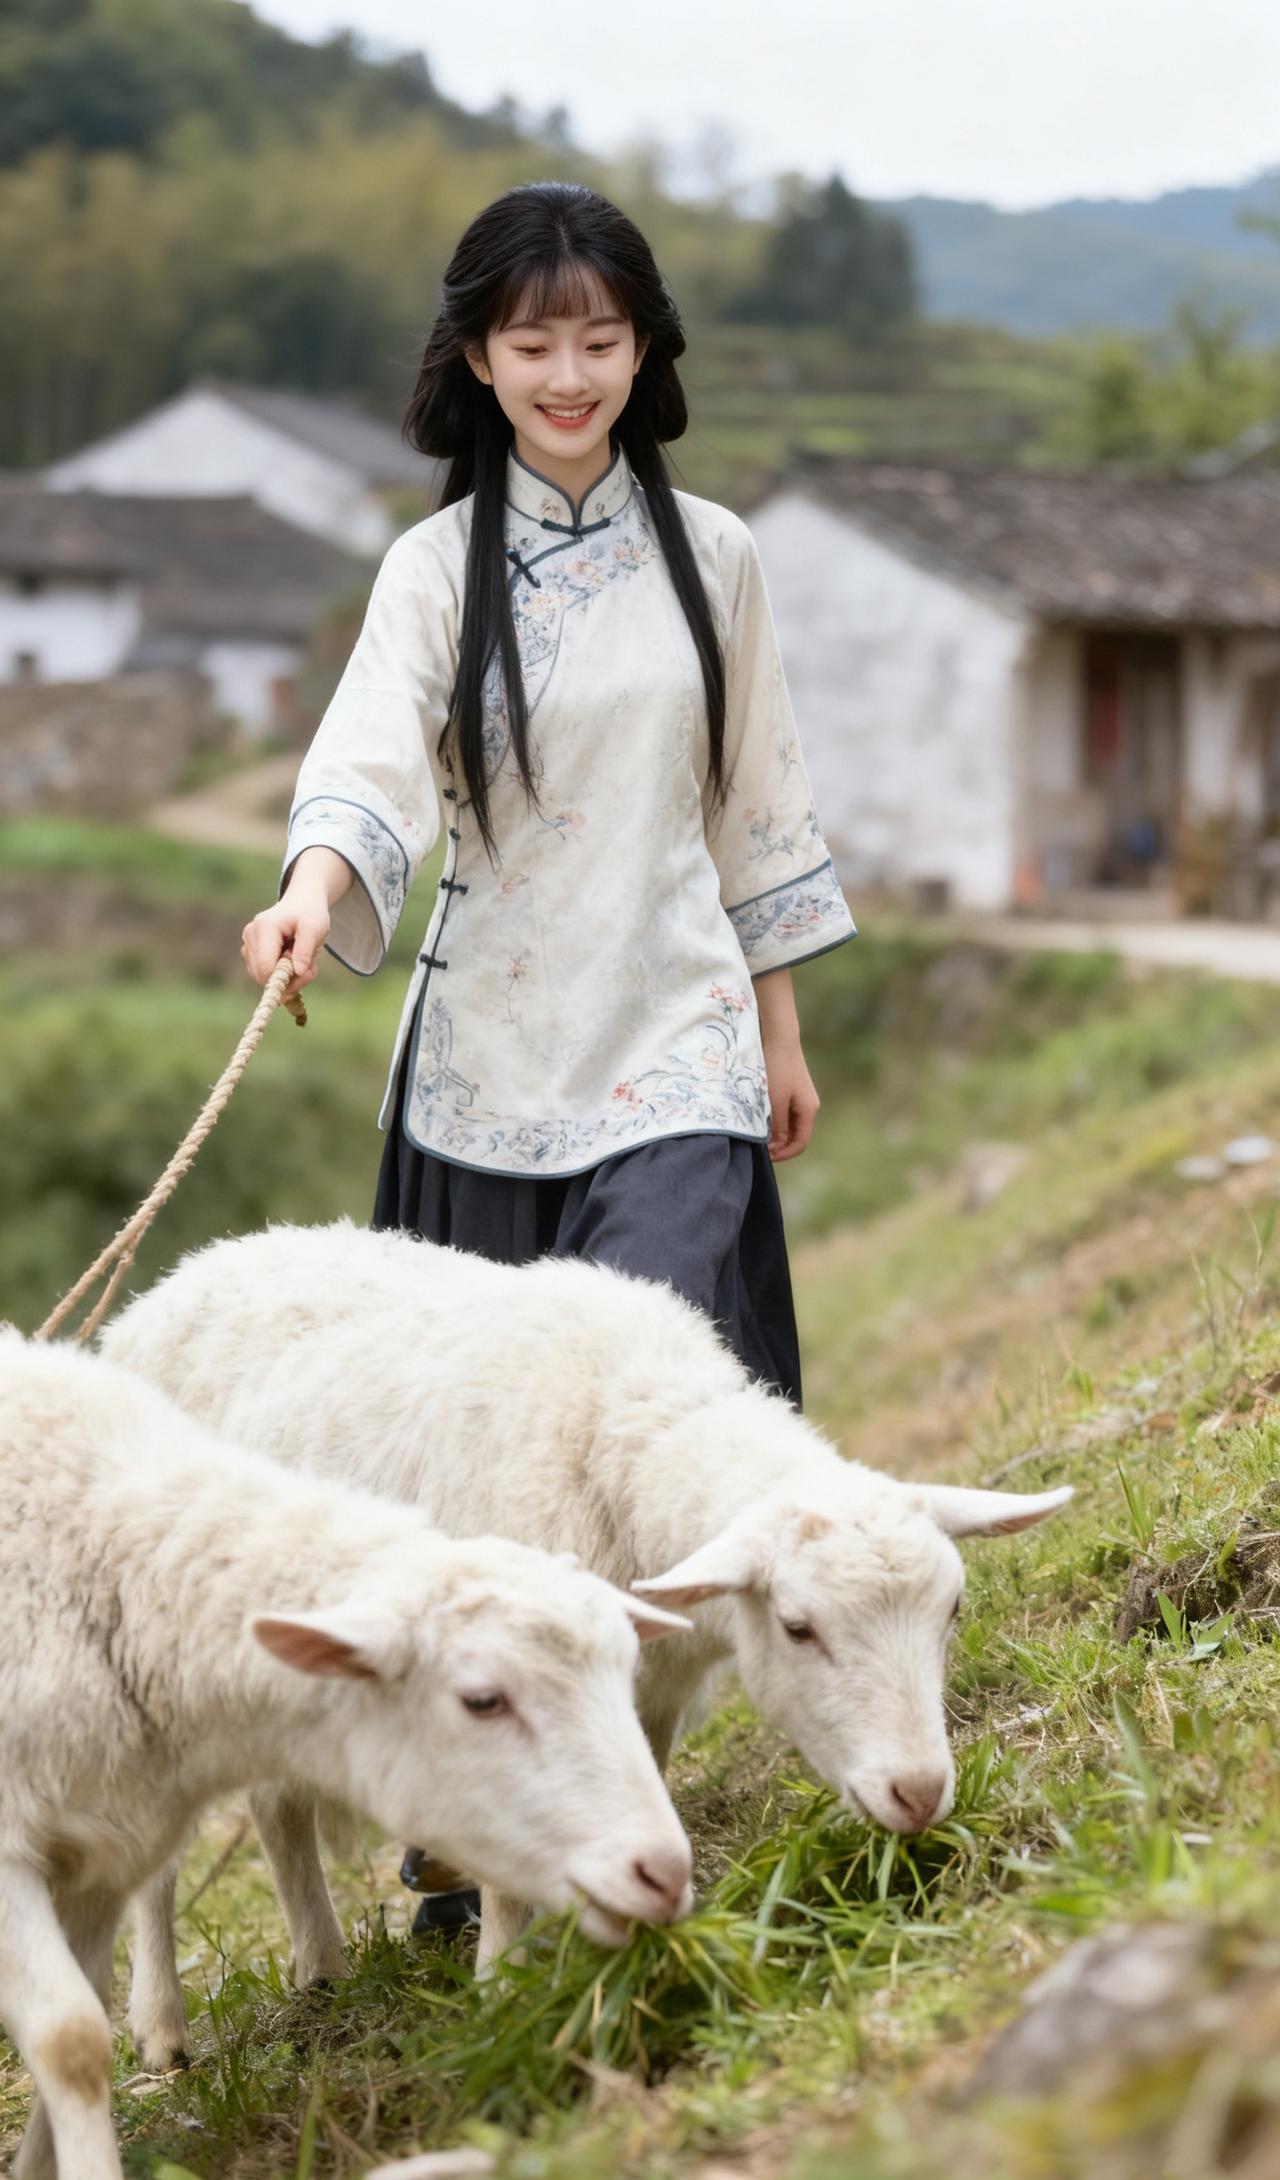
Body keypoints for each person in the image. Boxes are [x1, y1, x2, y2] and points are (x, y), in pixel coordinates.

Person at [242, 181, 856, 1933]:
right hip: (488, 1062)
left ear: (646, 346)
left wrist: (774, 1029)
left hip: (674, 1041)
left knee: (641, 1404)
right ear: (479, 358)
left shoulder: (716, 553)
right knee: (491, 1476)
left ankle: (650, 1780)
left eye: (600, 337)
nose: (570, 370)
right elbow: (367, 756)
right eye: (535, 341)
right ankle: (483, 1825)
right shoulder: (431, 571)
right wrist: (311, 888)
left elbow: (758, 804)